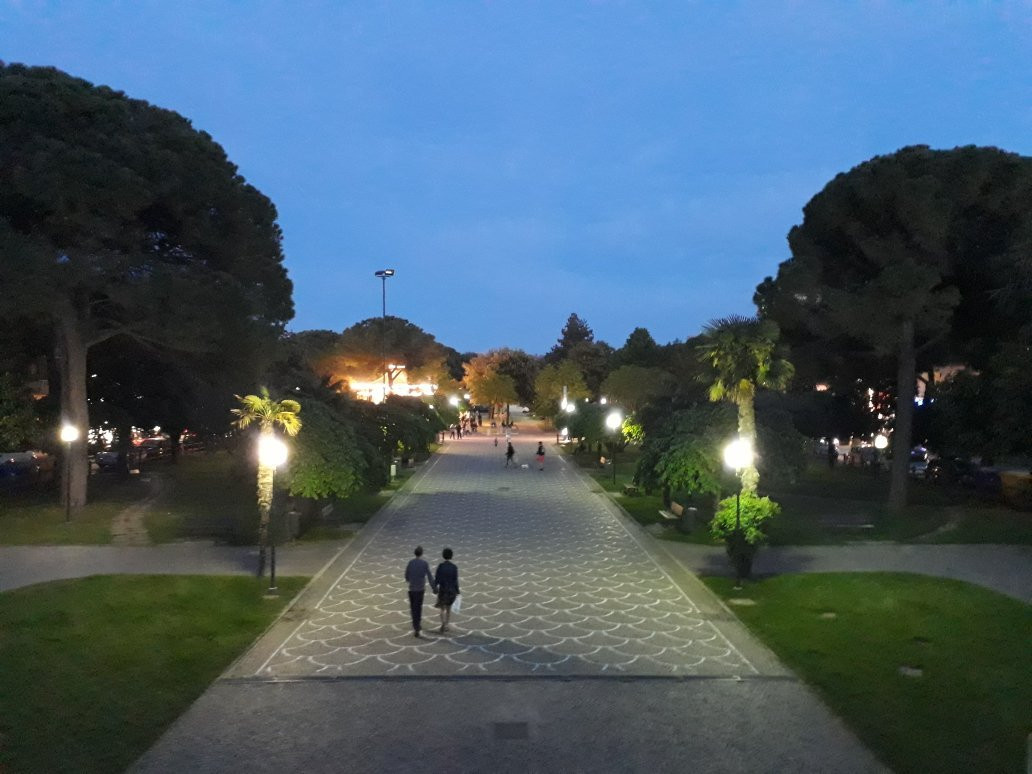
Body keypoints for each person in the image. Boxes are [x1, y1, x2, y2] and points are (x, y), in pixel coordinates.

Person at [404, 546, 436, 638]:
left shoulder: (410, 563)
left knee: (413, 608)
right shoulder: (424, 563)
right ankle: (417, 625)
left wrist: (409, 580)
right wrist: (434, 587)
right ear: (421, 553)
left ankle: (415, 625)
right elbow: (429, 576)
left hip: (412, 589)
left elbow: (406, 575)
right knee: (418, 607)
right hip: (420, 589)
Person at [434, 548, 460, 633]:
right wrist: (457, 590)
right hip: (451, 591)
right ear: (451, 556)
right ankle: (447, 625)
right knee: (448, 609)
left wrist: (434, 587)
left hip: (443, 590)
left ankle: (443, 623)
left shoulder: (441, 566)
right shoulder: (454, 567)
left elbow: (437, 578)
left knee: (442, 608)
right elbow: (455, 580)